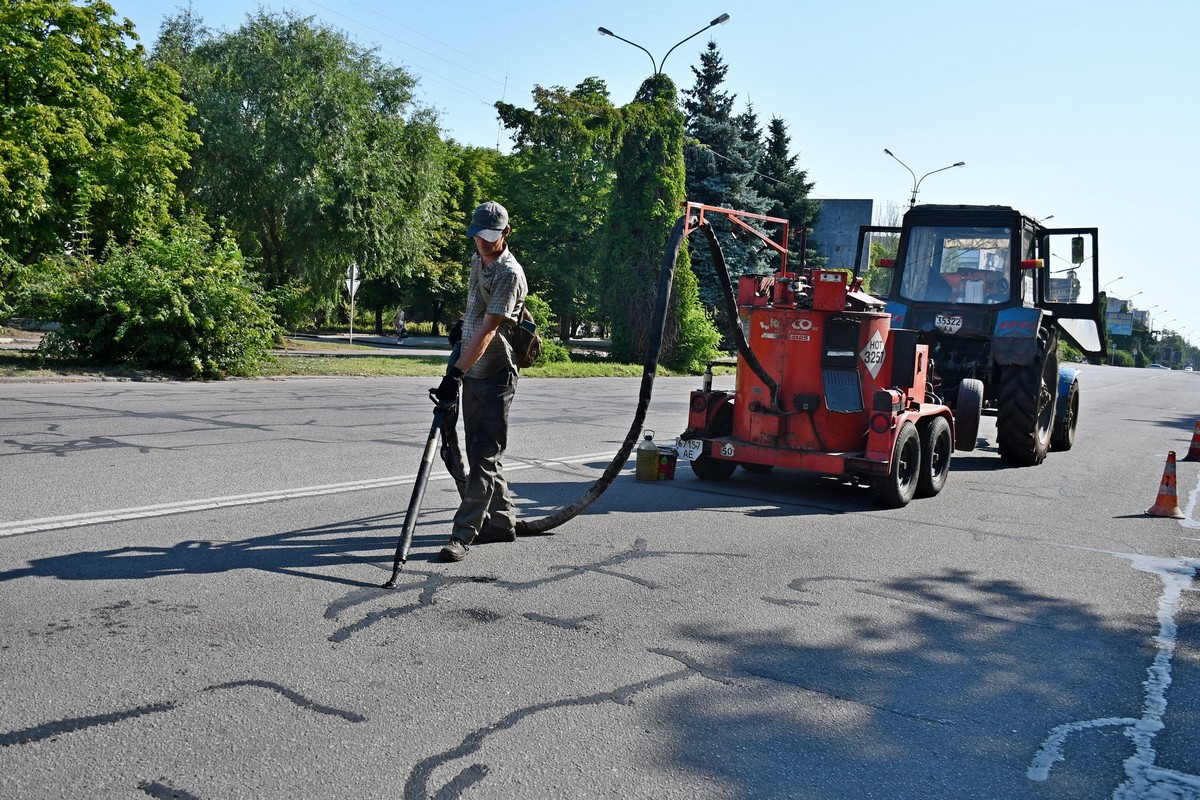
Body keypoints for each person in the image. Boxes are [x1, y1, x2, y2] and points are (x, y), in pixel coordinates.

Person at [434, 201, 528, 563]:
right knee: (480, 451)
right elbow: (475, 312)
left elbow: (490, 329)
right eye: (479, 237)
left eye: (491, 237)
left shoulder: (508, 273)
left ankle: (463, 533)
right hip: (472, 368)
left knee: (485, 454)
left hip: (495, 373)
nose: (484, 244)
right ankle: (502, 522)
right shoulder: (478, 260)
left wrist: (455, 372)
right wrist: (460, 333)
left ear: (505, 234)